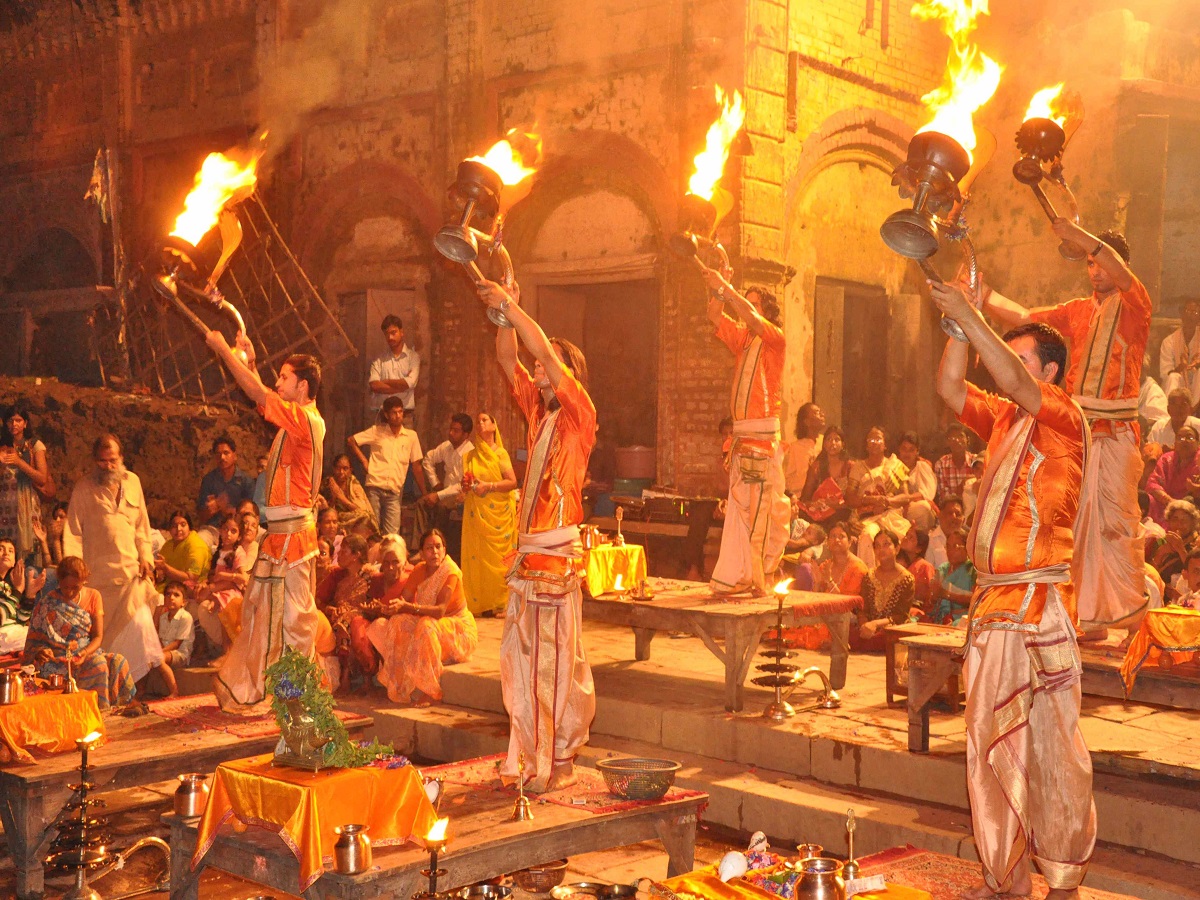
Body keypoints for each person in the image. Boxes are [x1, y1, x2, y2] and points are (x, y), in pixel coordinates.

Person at [932, 276, 1095, 899]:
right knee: (992, 742)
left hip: (1036, 604)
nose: (1009, 363)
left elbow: (1016, 383)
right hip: (998, 604)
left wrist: (971, 312)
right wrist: (955, 328)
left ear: (1048, 370)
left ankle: (1059, 876)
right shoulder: (1004, 418)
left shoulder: (1060, 413)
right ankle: (1006, 877)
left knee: (1055, 752)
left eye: (1020, 353)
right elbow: (950, 387)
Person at [983, 222, 1150, 637]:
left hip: (1115, 431)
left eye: (1102, 262)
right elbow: (1024, 317)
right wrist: (981, 298)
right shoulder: (1077, 309)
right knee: (1071, 525)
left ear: (1120, 265)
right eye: (1090, 264)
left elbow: (1122, 275)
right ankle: (1085, 618)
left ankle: (1132, 612)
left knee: (1117, 526)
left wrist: (1079, 233)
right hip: (1078, 431)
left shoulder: (1135, 304)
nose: (1095, 271)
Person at [478, 275, 596, 793]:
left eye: (552, 374)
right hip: (528, 560)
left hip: (555, 558)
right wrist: (507, 309)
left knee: (552, 664)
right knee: (521, 663)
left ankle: (554, 763)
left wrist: (514, 307)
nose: (542, 379)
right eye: (544, 377)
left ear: (569, 377)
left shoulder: (579, 415)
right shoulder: (539, 412)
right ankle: (533, 756)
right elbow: (509, 359)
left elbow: (541, 353)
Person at [204, 329, 326, 715]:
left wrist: (224, 351)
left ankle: (295, 698)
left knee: (293, 623)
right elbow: (264, 397)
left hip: (293, 539)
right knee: (265, 617)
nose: (278, 383)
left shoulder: (307, 420)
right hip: (281, 537)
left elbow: (260, 395)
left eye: (285, 377)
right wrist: (249, 364)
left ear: (303, 385)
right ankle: (275, 692)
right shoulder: (297, 421)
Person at [702, 266, 790, 597]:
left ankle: (761, 580)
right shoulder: (744, 340)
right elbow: (715, 314)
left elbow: (750, 317)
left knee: (764, 513)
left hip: (764, 440)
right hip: (742, 438)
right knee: (740, 511)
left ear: (766, 311)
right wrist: (717, 289)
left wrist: (728, 287)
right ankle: (738, 577)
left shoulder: (773, 338)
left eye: (752, 303)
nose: (745, 307)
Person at [64, 434, 163, 683]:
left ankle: (137, 686)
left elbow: (142, 526)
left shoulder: (133, 482)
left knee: (140, 627)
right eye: (102, 461)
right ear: (94, 460)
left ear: (121, 458)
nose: (107, 466)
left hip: (132, 576)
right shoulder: (83, 488)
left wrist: (146, 559)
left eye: (112, 460)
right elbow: (73, 533)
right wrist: (75, 577)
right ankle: (115, 686)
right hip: (99, 580)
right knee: (107, 640)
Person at [366, 528, 477, 705]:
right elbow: (405, 600)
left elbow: (440, 610)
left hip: (458, 630)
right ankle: (399, 683)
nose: (435, 552)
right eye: (429, 548)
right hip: (430, 622)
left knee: (426, 626)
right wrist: (391, 608)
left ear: (445, 549)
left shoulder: (451, 572)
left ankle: (430, 690)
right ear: (422, 553)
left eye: (438, 547)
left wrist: (407, 606)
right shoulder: (419, 570)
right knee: (397, 621)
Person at [23, 556, 136, 710]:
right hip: (56, 660)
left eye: (75, 587)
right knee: (99, 665)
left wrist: (83, 653)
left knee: (118, 661)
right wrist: (40, 652)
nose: (69, 592)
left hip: (84, 653)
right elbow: (33, 641)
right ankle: (97, 711)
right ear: (59, 582)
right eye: (65, 587)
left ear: (84, 580)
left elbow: (97, 636)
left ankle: (118, 710)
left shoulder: (94, 596)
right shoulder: (48, 602)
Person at [461, 412, 518, 617]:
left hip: (498, 516)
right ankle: (481, 602)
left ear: (494, 426)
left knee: (498, 560)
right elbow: (467, 484)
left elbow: (512, 482)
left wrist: (489, 486)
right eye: (478, 421)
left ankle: (501, 603)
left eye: (485, 419)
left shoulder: (500, 454)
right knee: (478, 558)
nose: (480, 423)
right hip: (478, 513)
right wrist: (467, 486)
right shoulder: (470, 455)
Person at [349, 397, 428, 537]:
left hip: (394, 492)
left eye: (400, 412)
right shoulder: (377, 431)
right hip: (375, 487)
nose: (397, 416)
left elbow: (417, 466)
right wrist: (364, 461)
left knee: (392, 536)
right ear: (386, 414)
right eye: (393, 412)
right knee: (372, 531)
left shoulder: (411, 436)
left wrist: (424, 493)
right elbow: (352, 441)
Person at [849, 427, 911, 566]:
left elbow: (906, 497)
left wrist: (886, 501)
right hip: (868, 517)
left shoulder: (896, 465)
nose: (874, 442)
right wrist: (870, 500)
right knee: (866, 537)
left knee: (909, 538)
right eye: (870, 439)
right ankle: (870, 580)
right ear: (866, 445)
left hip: (891, 515)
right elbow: (849, 499)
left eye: (878, 439)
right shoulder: (858, 467)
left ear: (885, 444)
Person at [193, 513, 250, 658]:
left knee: (226, 610)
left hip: (231, 592)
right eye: (225, 529)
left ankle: (227, 651)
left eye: (233, 531)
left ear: (239, 535)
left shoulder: (238, 552)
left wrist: (227, 576)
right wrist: (205, 583)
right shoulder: (218, 552)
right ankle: (217, 648)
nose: (228, 534)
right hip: (218, 591)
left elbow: (244, 578)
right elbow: (212, 575)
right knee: (203, 602)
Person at [421, 413, 476, 562]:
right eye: (451, 429)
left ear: (466, 434)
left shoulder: (470, 453)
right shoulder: (447, 446)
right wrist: (436, 484)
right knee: (421, 503)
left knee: (441, 507)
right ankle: (422, 548)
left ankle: (440, 549)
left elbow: (462, 485)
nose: (451, 433)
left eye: (456, 430)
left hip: (460, 494)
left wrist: (438, 495)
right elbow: (427, 460)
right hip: (444, 491)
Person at [0, 405, 51, 562]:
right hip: (5, 509)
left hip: (29, 508)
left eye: (18, 420)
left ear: (25, 424)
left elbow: (42, 478)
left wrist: (19, 462)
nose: (14, 424)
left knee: (29, 554)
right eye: (10, 420)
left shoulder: (35, 446)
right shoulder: (2, 446)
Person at [853, 529, 916, 651]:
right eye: (877, 546)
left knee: (889, 639)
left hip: (892, 628)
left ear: (897, 549)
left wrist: (876, 624)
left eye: (886, 544)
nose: (881, 549)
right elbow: (862, 608)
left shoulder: (907, 579)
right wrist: (864, 625)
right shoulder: (869, 576)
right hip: (868, 628)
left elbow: (901, 616)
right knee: (847, 634)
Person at [368, 314, 421, 422]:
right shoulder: (379, 360)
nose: (390, 337)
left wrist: (385, 382)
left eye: (393, 332)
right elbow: (374, 385)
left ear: (401, 332)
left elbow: (409, 383)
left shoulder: (413, 358)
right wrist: (400, 387)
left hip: (405, 416)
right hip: (383, 416)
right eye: (387, 334)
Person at [1145, 424, 1200, 526]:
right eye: (1180, 438)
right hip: (1164, 503)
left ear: (1198, 443)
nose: (1185, 441)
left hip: (1191, 506)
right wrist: (1169, 501)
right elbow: (1153, 483)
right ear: (1174, 443)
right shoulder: (1166, 458)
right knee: (1145, 498)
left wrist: (1195, 489)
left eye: (1190, 437)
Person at [196, 436, 255, 528]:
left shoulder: (246, 481)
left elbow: (252, 514)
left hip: (239, 529)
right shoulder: (209, 480)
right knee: (202, 538)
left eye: (226, 453)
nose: (222, 457)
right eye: (218, 454)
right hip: (213, 528)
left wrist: (229, 510)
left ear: (234, 456)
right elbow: (201, 517)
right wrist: (212, 509)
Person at [800, 425, 851, 524]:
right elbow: (805, 500)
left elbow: (854, 500)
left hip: (843, 513)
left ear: (843, 444)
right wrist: (816, 504)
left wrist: (838, 505)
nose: (833, 443)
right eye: (829, 439)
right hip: (821, 514)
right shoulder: (816, 467)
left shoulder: (850, 467)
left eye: (837, 440)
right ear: (824, 444)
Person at [0, 538, 41, 653]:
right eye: (1, 549)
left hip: (9, 635)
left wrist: (30, 596)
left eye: (11, 551)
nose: (6, 553)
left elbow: (20, 620)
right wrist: (17, 592)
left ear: (14, 562)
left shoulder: (7, 587)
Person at [155, 510, 211, 592]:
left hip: (189, 590)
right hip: (166, 586)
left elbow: (191, 578)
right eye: (174, 526)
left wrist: (165, 568)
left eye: (183, 525)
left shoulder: (197, 546)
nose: (178, 529)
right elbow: (160, 572)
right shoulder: (168, 545)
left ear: (189, 527)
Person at [1149, 499, 1200, 588]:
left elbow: (1196, 573)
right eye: (1175, 519)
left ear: (1193, 523)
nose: (1179, 525)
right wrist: (1160, 554)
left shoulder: (1197, 544)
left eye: (1184, 520)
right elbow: (1149, 574)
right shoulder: (1161, 541)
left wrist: (1181, 550)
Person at [154, 581, 193, 696]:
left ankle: (174, 691)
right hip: (166, 651)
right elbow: (160, 639)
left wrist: (159, 652)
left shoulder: (186, 617)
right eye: (168, 594)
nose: (171, 597)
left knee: (159, 658)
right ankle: (139, 692)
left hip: (180, 654)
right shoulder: (163, 617)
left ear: (184, 602)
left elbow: (177, 643)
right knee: (145, 657)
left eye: (176, 595)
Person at [812, 520, 868, 598]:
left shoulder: (858, 568)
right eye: (833, 536)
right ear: (827, 542)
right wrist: (817, 583)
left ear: (850, 542)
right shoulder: (825, 567)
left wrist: (829, 581)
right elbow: (816, 600)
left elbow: (848, 604)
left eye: (841, 536)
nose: (836, 540)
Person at [323, 453, 377, 533]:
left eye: (345, 469)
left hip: (352, 519)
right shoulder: (328, 483)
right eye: (338, 468)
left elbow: (361, 510)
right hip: (335, 521)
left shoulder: (353, 483)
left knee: (366, 517)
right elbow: (325, 512)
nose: (341, 472)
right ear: (333, 469)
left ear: (350, 470)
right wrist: (333, 498)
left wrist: (342, 498)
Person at [931, 529, 976, 625]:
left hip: (962, 618)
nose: (950, 551)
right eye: (948, 546)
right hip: (940, 617)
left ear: (967, 548)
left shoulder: (972, 569)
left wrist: (947, 594)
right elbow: (933, 598)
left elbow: (976, 599)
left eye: (955, 546)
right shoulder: (943, 568)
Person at [1160, 297, 1200, 404]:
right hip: (1178, 387)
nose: (1190, 316)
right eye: (1187, 311)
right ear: (1181, 314)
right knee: (1173, 377)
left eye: (1195, 312)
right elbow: (1165, 374)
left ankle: (1193, 410)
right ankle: (1172, 415)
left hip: (1197, 389)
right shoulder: (1169, 342)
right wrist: (1180, 368)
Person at [784, 402, 825, 495]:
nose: (822, 414)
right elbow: (788, 481)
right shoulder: (795, 448)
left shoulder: (826, 442)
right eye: (817, 412)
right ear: (807, 422)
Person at [932, 423, 974, 505]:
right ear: (948, 442)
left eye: (960, 436)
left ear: (967, 440)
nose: (957, 440)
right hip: (951, 510)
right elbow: (944, 498)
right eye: (953, 438)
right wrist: (961, 487)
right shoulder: (941, 464)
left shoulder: (976, 461)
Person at [899, 528, 937, 618]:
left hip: (917, 612)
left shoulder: (925, 567)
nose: (905, 538)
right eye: (906, 535)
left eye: (911, 538)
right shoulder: (898, 563)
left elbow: (930, 597)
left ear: (918, 549)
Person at [925, 497, 966, 569]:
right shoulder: (929, 540)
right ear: (940, 515)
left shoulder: (969, 541)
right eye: (950, 513)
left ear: (963, 520)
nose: (954, 517)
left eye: (958, 514)